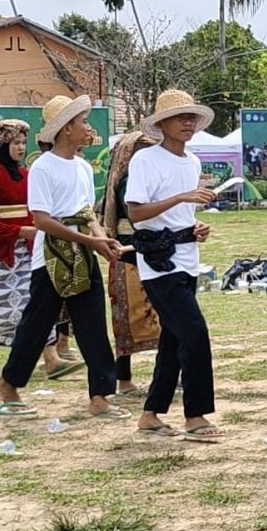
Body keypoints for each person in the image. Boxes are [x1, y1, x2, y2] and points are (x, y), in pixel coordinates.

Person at [0, 95, 127, 420]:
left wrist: (101, 240)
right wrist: (88, 240)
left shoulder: (81, 167)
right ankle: (8, 383)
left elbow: (86, 213)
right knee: (37, 324)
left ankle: (100, 395)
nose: (88, 128)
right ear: (67, 128)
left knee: (93, 324)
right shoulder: (42, 167)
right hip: (50, 259)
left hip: (83, 253)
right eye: (82, 122)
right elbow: (43, 221)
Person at [127, 90, 223, 441]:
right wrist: (181, 197)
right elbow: (136, 214)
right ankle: (195, 415)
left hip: (186, 258)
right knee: (194, 333)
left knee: (173, 339)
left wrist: (195, 226)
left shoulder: (192, 162)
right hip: (158, 262)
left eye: (192, 117)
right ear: (161, 124)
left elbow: (181, 215)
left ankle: (151, 413)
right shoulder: (146, 161)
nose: (188, 123)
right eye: (180, 117)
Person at [0, 121, 80, 400]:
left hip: (27, 252)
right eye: (14, 143)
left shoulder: (27, 175)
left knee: (35, 306)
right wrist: (19, 231)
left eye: (22, 142)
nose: (20, 147)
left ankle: (51, 357)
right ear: (2, 147)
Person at [102, 131, 162, 398]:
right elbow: (136, 215)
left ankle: (170, 373)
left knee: (168, 318)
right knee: (127, 320)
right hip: (130, 253)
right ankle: (124, 379)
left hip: (152, 252)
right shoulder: (128, 181)